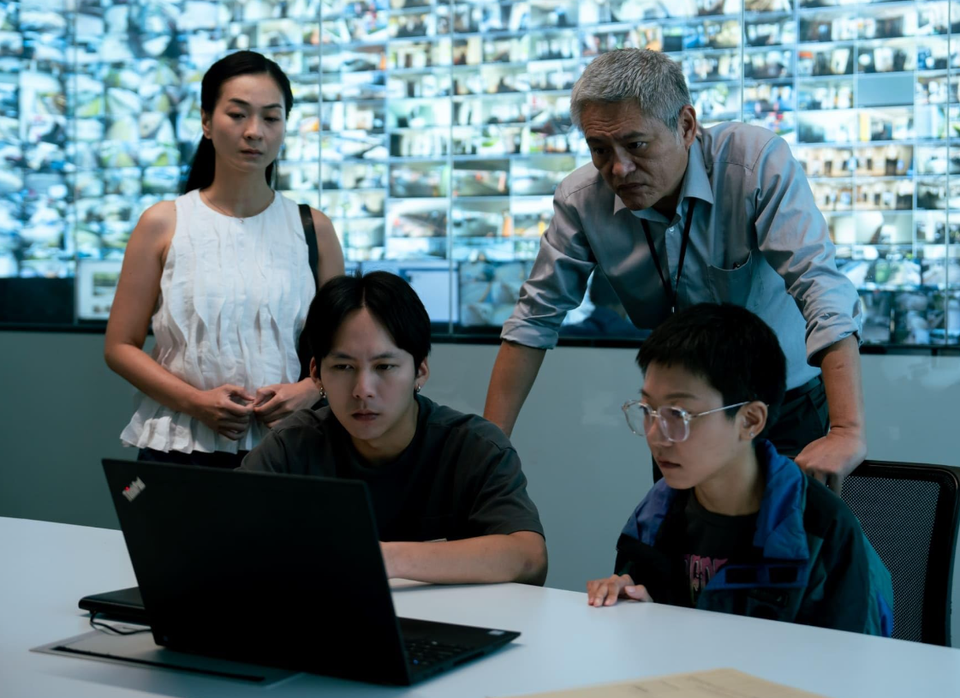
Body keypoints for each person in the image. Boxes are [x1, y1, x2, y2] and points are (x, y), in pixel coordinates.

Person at [483, 48, 866, 491]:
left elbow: (819, 286)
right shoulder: (581, 201)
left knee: (792, 533)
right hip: (679, 416)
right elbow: (533, 319)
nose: (618, 169)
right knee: (680, 536)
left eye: (636, 145)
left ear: (685, 126)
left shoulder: (753, 164)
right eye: (599, 150)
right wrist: (489, 451)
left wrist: (846, 431)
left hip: (786, 403)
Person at [585, 304, 893, 636]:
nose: (656, 436)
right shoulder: (655, 515)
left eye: (679, 414)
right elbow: (650, 634)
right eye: (648, 410)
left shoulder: (820, 530)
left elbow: (849, 659)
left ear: (749, 421)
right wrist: (634, 610)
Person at [105, 51, 344, 468]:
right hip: (178, 448)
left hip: (291, 446)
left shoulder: (314, 228)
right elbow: (120, 347)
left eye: (271, 118)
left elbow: (345, 346)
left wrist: (311, 389)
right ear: (206, 121)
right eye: (237, 114)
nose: (254, 131)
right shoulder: (163, 223)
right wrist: (195, 402)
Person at [240, 271, 548, 585]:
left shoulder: (473, 446)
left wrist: (385, 557)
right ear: (317, 374)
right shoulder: (292, 446)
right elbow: (223, 535)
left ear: (420, 371)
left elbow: (529, 557)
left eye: (384, 366)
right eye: (343, 367)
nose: (363, 390)